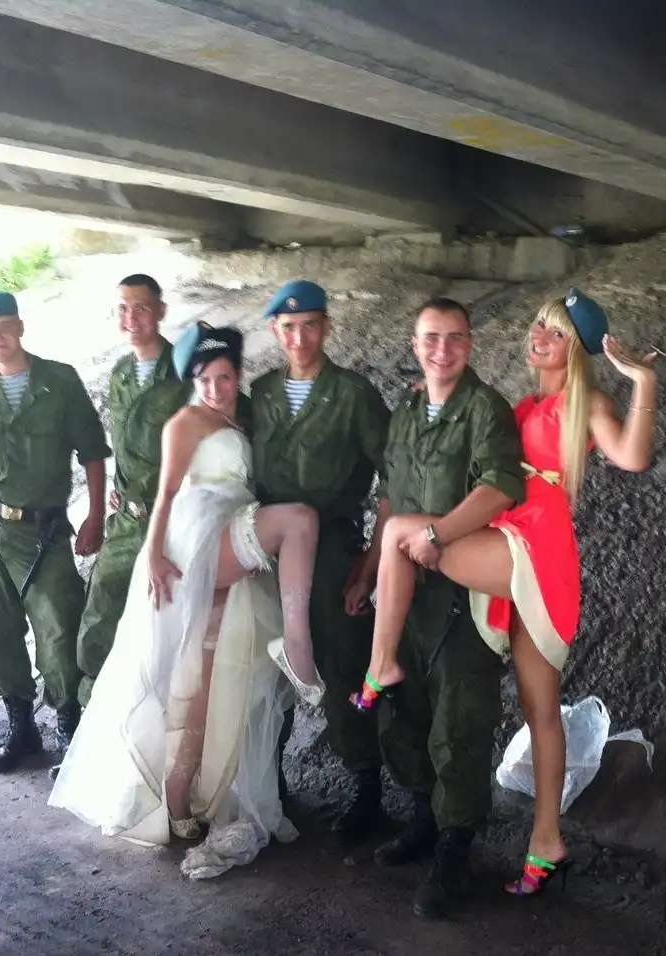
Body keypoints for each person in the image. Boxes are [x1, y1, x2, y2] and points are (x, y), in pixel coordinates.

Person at [354, 288, 658, 898]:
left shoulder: (586, 402)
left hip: (535, 548)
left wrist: (643, 382)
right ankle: (548, 843)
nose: (538, 338)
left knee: (404, 534)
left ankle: (381, 666)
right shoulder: (521, 404)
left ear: (576, 350)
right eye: (538, 327)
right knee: (540, 710)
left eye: (556, 333)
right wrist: (431, 401)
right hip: (507, 538)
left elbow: (632, 456)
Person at [49, 321, 325, 880]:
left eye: (224, 377)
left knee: (206, 678)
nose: (215, 388)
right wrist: (153, 553)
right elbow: (166, 493)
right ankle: (297, 645)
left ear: (238, 375)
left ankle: (183, 805)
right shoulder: (185, 421)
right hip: (195, 537)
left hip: (229, 531)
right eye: (205, 379)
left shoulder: (242, 416)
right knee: (299, 521)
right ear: (193, 379)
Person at [367, 298, 526, 919]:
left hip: (462, 592)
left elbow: (500, 487)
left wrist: (437, 536)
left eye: (455, 338)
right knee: (403, 709)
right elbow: (389, 495)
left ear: (471, 344)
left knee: (460, 720)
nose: (442, 350)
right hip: (406, 590)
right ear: (414, 345)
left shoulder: (485, 409)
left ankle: (455, 848)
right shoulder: (406, 411)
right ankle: (424, 819)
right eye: (431, 338)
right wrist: (371, 566)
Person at [249, 279, 393, 843]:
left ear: (327, 327)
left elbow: (394, 480)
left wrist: (371, 564)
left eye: (310, 325)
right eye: (288, 327)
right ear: (274, 331)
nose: (299, 337)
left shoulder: (354, 395)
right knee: (265, 661)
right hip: (266, 550)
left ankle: (366, 786)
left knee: (342, 663)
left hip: (332, 550)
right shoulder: (260, 394)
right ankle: (268, 779)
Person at [0, 291, 111, 774]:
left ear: (20, 328)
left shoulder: (59, 381)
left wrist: (95, 516)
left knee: (59, 627)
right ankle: (21, 728)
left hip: (44, 529)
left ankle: (69, 727)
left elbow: (92, 451)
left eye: (4, 326)